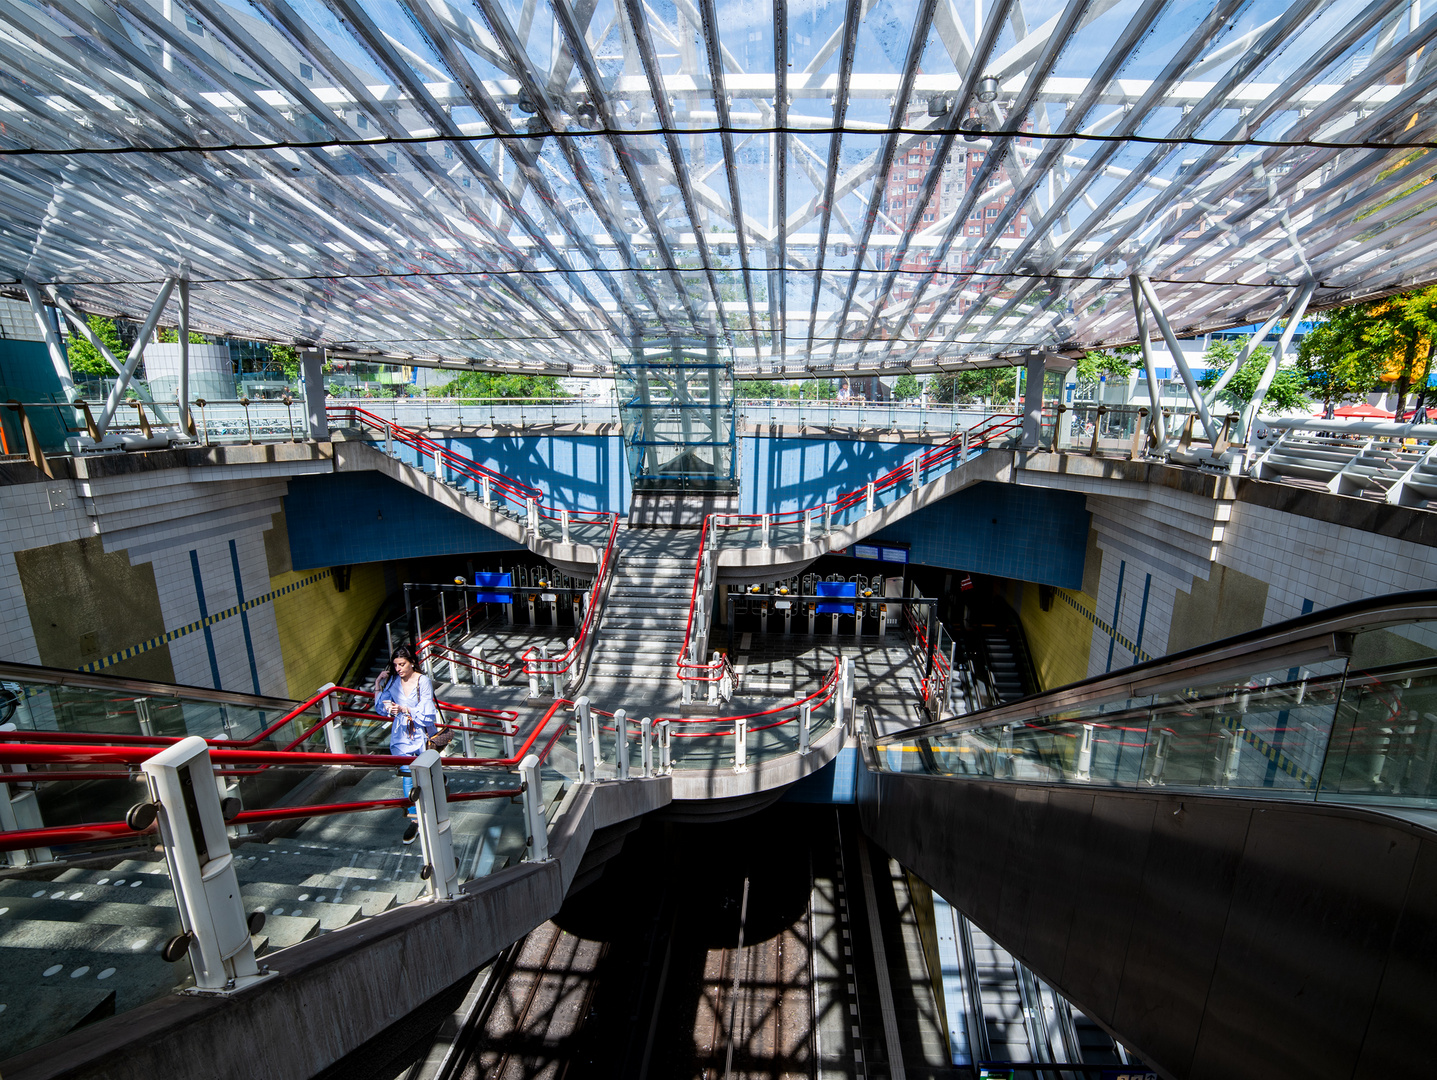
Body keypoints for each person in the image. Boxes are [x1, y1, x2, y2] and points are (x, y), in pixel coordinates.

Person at [373, 645, 437, 844]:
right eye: (395, 665)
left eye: (402, 664)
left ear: (412, 663)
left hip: (419, 731)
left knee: (424, 771)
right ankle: (415, 819)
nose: (399, 668)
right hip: (401, 734)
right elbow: (380, 709)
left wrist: (404, 709)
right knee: (407, 775)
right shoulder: (392, 680)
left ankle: (434, 795)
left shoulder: (422, 681)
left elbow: (427, 710)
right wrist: (378, 684)